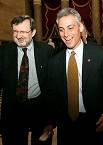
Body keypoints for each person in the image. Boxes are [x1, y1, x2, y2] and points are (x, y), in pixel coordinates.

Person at [46, 8, 103, 145]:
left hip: (95, 123)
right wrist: (50, 121)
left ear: (80, 27)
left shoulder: (100, 54)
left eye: (70, 28)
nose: (65, 34)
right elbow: (52, 95)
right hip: (66, 127)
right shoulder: (54, 61)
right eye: (61, 29)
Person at [0, 15, 54, 145]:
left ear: (33, 32)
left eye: (23, 32)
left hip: (39, 108)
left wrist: (52, 119)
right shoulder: (3, 52)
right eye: (15, 31)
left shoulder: (46, 51)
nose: (19, 36)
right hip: (13, 109)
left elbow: (53, 86)